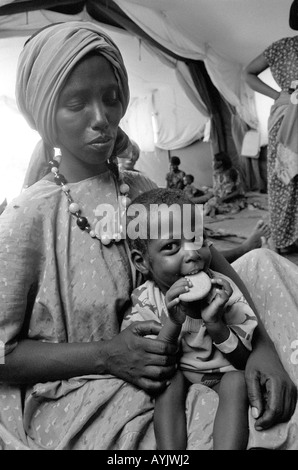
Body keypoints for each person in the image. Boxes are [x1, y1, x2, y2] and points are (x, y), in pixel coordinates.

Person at [0, 21, 296, 451]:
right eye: (76, 103)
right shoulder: (30, 217)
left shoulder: (138, 188)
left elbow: (205, 256)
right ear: (45, 112)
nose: (101, 119)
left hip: (187, 345)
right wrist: (107, 355)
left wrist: (263, 347)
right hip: (90, 380)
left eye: (111, 98)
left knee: (264, 265)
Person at [123, 188, 258, 449]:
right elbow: (154, 362)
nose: (192, 254)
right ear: (142, 262)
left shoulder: (224, 290)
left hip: (225, 375)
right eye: (172, 247)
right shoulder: (145, 300)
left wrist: (216, 324)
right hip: (180, 373)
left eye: (197, 239)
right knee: (168, 382)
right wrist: (172, 323)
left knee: (236, 381)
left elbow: (243, 360)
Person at [244, 1, 298, 255]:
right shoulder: (282, 47)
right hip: (287, 114)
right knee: (284, 174)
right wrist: (278, 95)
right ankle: (284, 239)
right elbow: (249, 73)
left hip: (286, 110)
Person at [204, 151, 246, 218]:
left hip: (232, 199)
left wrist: (224, 198)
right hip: (220, 199)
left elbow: (239, 191)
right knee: (208, 205)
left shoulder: (232, 173)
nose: (212, 164)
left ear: (220, 162)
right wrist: (210, 190)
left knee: (234, 209)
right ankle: (215, 210)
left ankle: (216, 210)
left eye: (213, 161)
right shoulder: (215, 174)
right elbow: (217, 190)